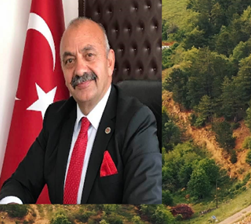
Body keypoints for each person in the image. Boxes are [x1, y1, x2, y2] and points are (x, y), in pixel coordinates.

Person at [0, 17, 161, 204]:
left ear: (109, 62)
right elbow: (19, 184)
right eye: (69, 60)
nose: (79, 70)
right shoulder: (56, 118)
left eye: (89, 55)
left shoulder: (137, 121)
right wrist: (11, 211)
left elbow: (144, 208)